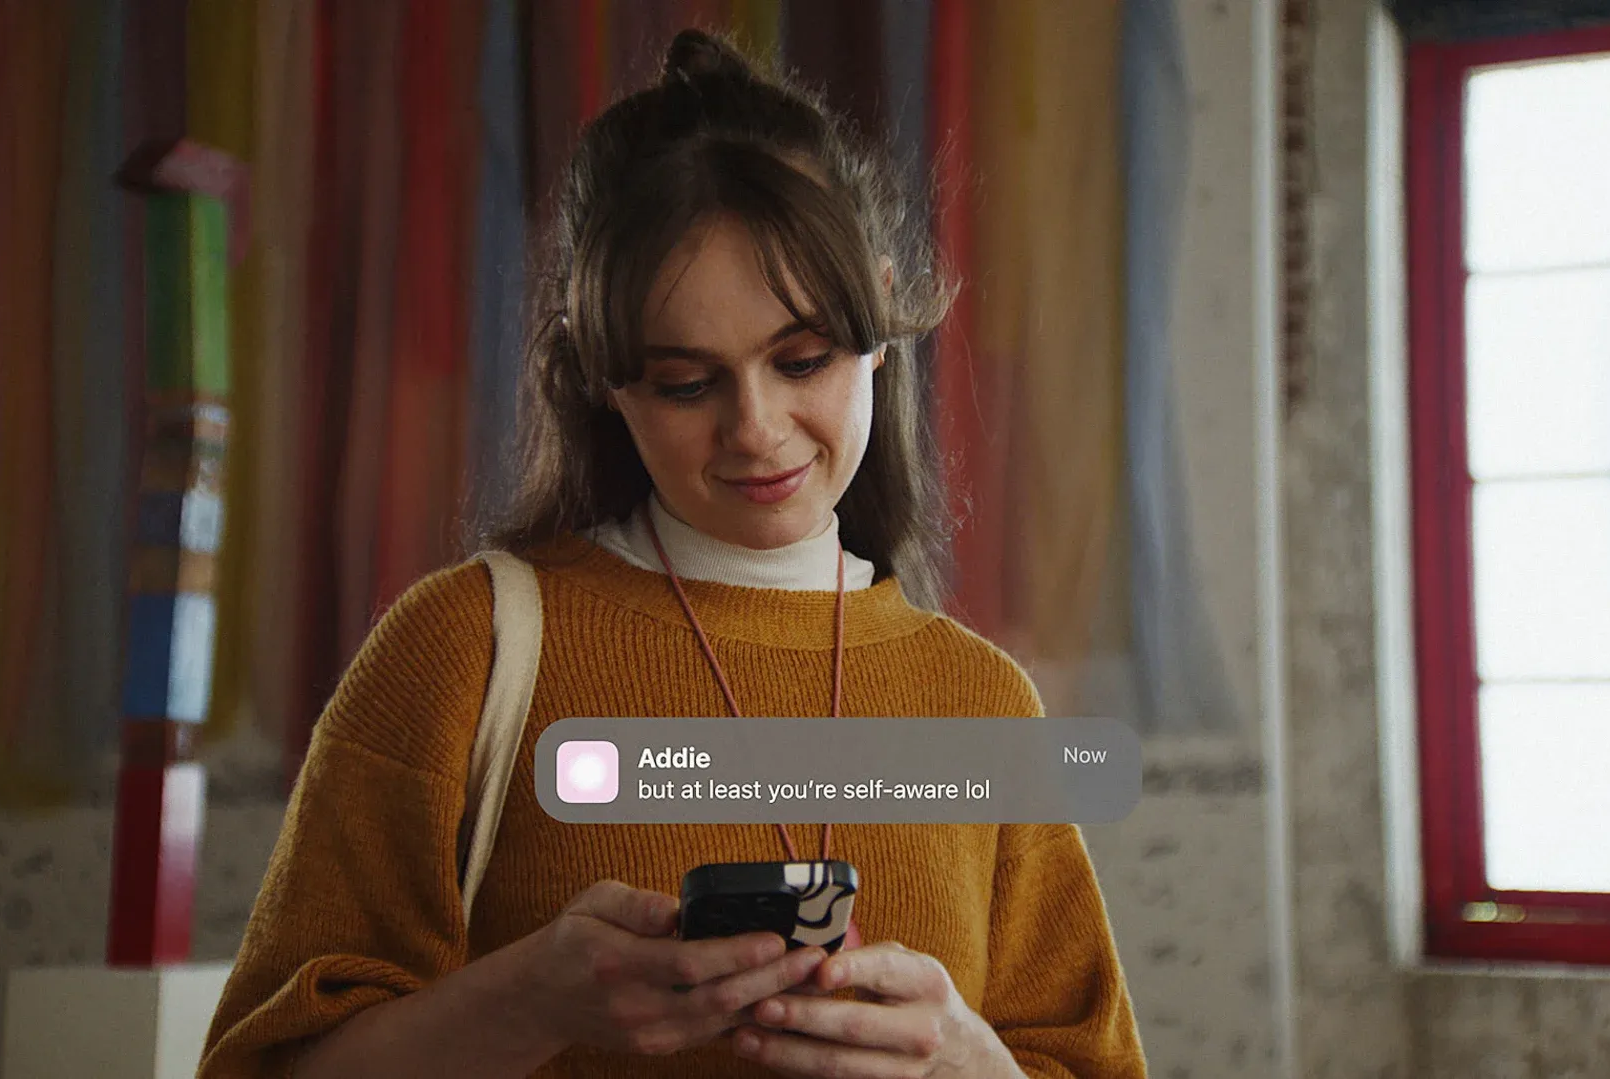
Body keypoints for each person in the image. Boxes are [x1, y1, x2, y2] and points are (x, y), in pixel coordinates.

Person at [199, 29, 1146, 1079]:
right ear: (603, 375)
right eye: (686, 382)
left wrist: (973, 1063)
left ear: (878, 316)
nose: (756, 427)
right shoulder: (461, 647)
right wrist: (530, 996)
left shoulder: (979, 704)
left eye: (801, 359)